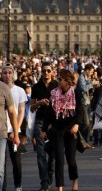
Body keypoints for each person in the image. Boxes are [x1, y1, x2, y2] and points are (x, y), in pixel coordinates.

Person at [40, 69, 82, 191]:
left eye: (60, 79)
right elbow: (49, 113)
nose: (58, 81)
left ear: (67, 80)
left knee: (71, 159)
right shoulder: (53, 93)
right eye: (58, 78)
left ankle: (75, 181)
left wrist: (77, 125)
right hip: (57, 130)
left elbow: (80, 110)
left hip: (70, 130)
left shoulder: (75, 92)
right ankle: (60, 187)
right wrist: (43, 130)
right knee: (59, 159)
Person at [31, 62, 58, 191]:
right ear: (41, 72)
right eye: (44, 71)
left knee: (52, 153)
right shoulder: (36, 87)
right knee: (40, 153)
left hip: (53, 122)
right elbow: (31, 108)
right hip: (40, 121)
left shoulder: (56, 85)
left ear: (52, 72)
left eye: (48, 71)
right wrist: (39, 103)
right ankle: (44, 182)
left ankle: (50, 178)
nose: (46, 73)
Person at [1, 63, 27, 191]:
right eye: (5, 73)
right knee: (2, 163)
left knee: (16, 160)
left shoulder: (19, 90)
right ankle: (3, 187)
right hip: (2, 130)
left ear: (13, 74)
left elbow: (21, 112)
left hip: (14, 130)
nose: (7, 75)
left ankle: (18, 185)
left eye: (10, 73)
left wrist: (16, 130)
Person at [0, 80, 20, 189]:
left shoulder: (4, 88)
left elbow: (12, 112)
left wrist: (16, 134)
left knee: (0, 170)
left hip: (1, 134)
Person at [75, 64, 94, 141]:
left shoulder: (87, 78)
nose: (92, 73)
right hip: (83, 103)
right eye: (91, 72)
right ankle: (79, 137)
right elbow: (83, 88)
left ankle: (84, 140)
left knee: (88, 122)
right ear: (87, 70)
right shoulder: (81, 78)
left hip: (87, 102)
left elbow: (89, 89)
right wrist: (91, 85)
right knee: (86, 123)